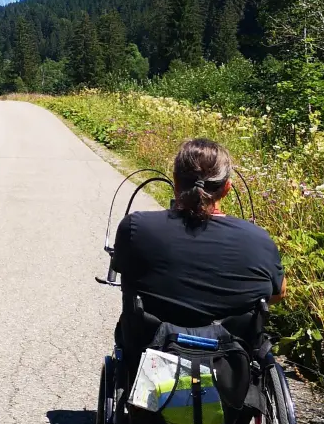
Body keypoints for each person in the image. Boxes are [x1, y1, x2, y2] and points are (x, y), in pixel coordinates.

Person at [110, 136, 284, 371]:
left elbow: (125, 273)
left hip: (153, 358)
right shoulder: (258, 238)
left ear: (175, 180)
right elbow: (276, 294)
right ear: (227, 188)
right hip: (230, 367)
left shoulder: (136, 227)